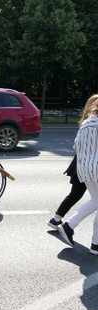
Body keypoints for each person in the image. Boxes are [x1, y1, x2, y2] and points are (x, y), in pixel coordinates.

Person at [57, 94, 98, 255]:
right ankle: (72, 228)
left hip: (85, 168)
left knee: (96, 201)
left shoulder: (86, 123)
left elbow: (76, 146)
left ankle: (93, 243)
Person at [47, 155, 87, 230]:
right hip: (89, 167)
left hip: (80, 165)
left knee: (75, 195)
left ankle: (56, 219)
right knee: (93, 200)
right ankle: (68, 224)